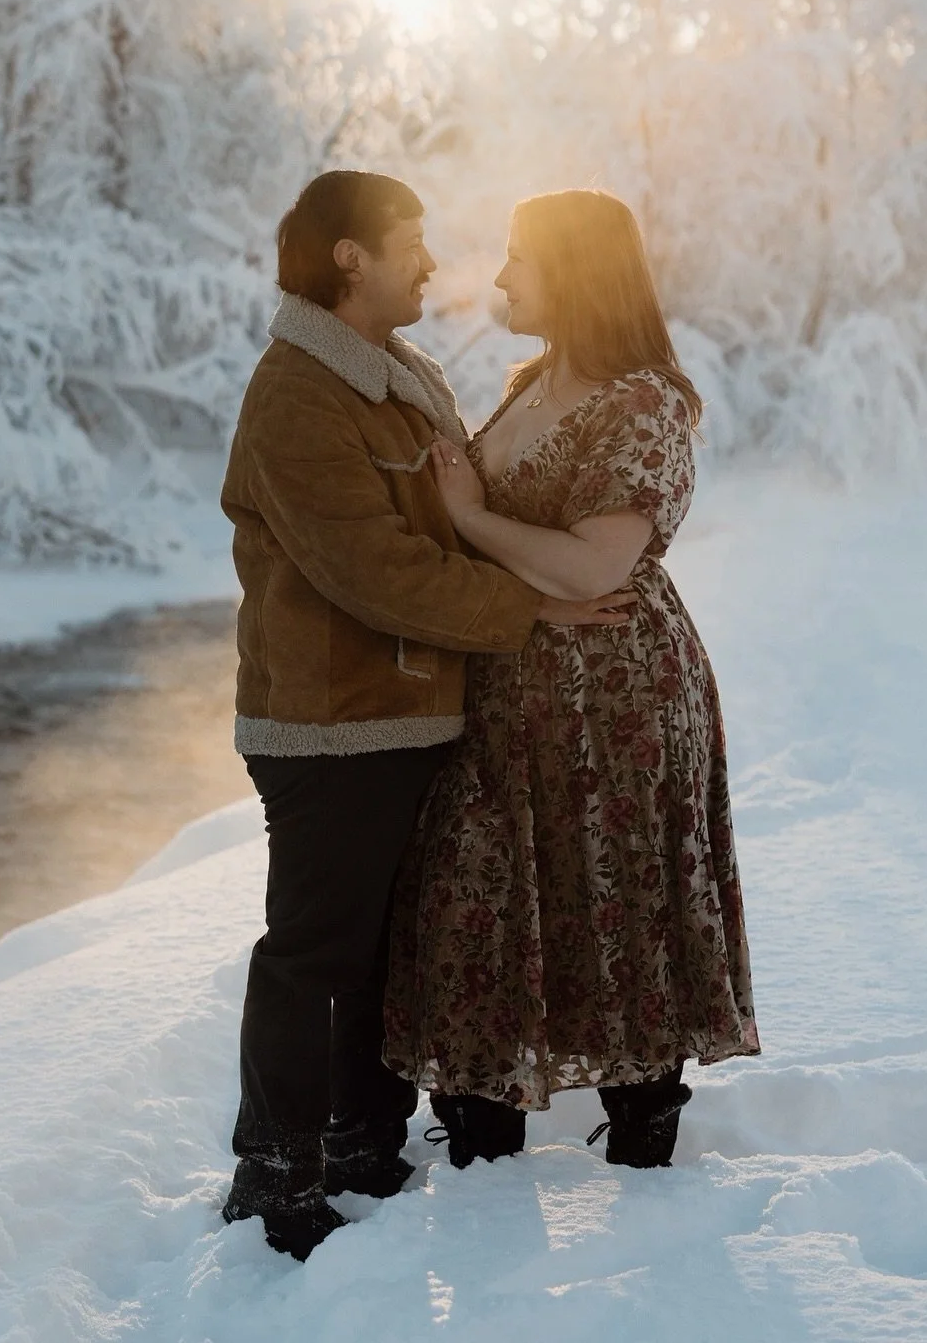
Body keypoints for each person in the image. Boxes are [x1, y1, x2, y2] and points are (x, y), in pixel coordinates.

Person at [219, 170, 632, 1261]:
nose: (433, 261)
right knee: (316, 951)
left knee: (377, 954)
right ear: (348, 256)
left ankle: (362, 1142)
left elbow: (449, 526)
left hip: (407, 713)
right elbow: (379, 571)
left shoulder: (394, 376)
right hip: (331, 723)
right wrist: (537, 605)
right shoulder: (299, 394)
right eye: (410, 241)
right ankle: (275, 1172)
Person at [384, 188, 760, 1172]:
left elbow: (595, 566)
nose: (500, 277)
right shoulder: (529, 381)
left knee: (619, 897)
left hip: (620, 698)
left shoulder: (642, 403)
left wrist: (467, 519)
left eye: (520, 259)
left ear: (579, 274)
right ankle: (479, 1138)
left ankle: (644, 1144)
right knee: (484, 893)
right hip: (504, 693)